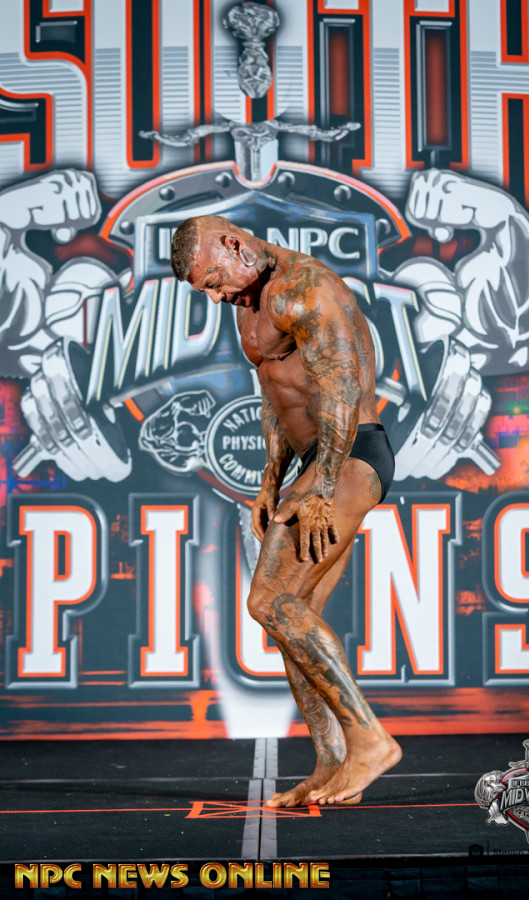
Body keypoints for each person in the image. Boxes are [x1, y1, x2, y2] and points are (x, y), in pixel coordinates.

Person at [171, 215, 401, 807]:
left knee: (268, 601)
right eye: (206, 290)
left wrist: (320, 486)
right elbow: (274, 392)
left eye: (214, 281)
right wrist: (271, 478)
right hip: (313, 463)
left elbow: (343, 389)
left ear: (233, 245)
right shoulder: (248, 299)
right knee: (294, 620)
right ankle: (331, 761)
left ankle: (370, 741)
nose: (216, 296)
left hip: (349, 456)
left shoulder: (308, 289)